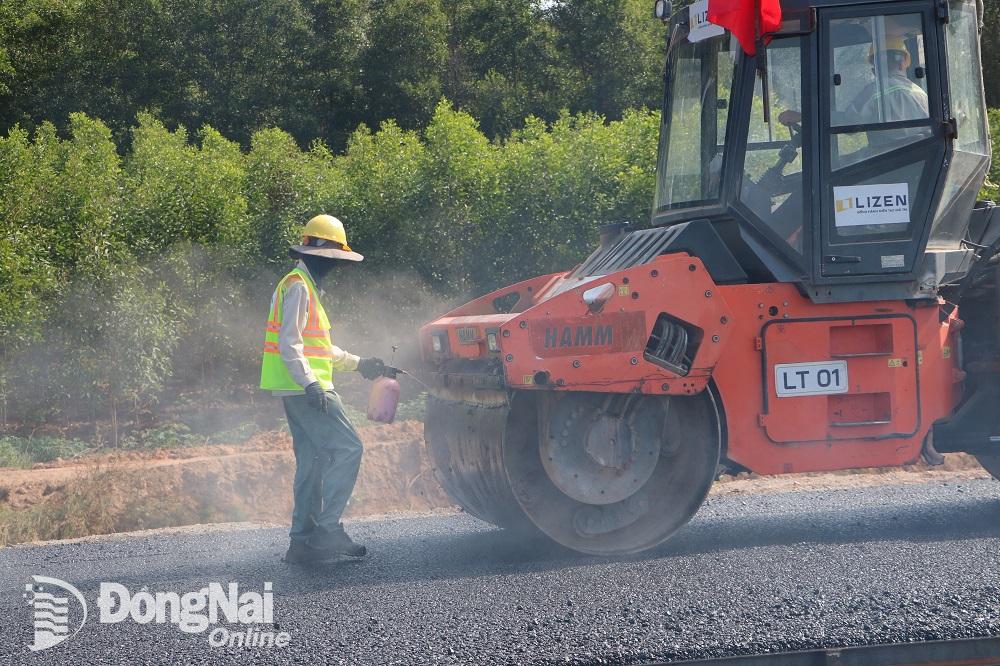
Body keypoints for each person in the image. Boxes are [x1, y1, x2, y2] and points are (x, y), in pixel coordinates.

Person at [260, 214, 385, 564]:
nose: (337, 267)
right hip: (307, 390)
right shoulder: (299, 286)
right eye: (334, 259)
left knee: (312, 462)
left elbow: (318, 347)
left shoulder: (302, 285)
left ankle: (301, 542)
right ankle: (327, 530)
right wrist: (311, 383)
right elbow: (290, 344)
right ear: (320, 254)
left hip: (293, 389)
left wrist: (360, 363)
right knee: (349, 448)